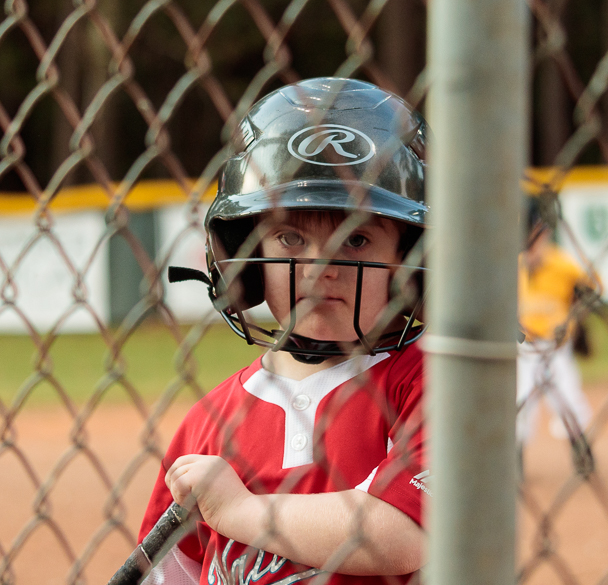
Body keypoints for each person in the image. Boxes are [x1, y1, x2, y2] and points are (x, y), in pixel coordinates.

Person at [138, 77, 429, 584]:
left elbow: (403, 535)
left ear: (409, 260)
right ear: (247, 263)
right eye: (290, 237)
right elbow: (171, 574)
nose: (320, 268)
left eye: (356, 239)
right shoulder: (206, 424)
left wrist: (242, 513)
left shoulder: (427, 382)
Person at [516, 202, 599, 447]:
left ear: (546, 236)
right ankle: (516, 466)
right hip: (525, 348)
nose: (533, 247)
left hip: (556, 346)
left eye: (537, 238)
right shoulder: (515, 266)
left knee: (569, 400)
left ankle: (582, 453)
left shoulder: (562, 264)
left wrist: (577, 317)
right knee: (520, 404)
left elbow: (594, 289)